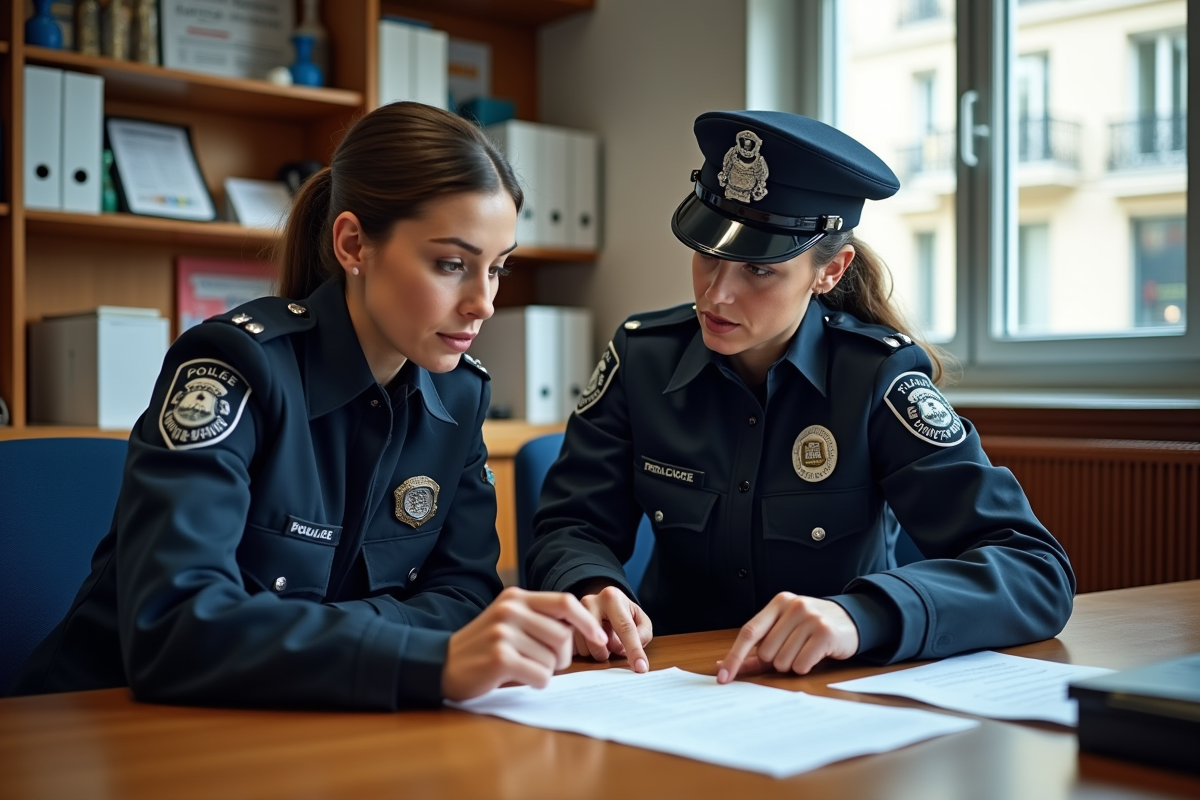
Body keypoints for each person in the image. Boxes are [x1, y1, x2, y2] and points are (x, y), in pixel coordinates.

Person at [9, 101, 605, 708]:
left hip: (300, 721)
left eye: (498, 269)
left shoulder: (460, 394)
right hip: (95, 727)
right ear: (353, 244)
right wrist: (424, 654)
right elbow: (175, 627)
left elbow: (466, 599)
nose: (484, 303)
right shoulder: (232, 366)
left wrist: (367, 642)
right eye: (451, 264)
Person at [526, 110, 1075, 683]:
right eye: (708, 254)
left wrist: (859, 616)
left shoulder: (877, 378)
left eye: (759, 269)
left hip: (827, 693)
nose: (717, 294)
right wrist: (592, 585)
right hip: (664, 682)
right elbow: (571, 524)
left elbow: (1034, 571)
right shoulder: (643, 358)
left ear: (830, 272)